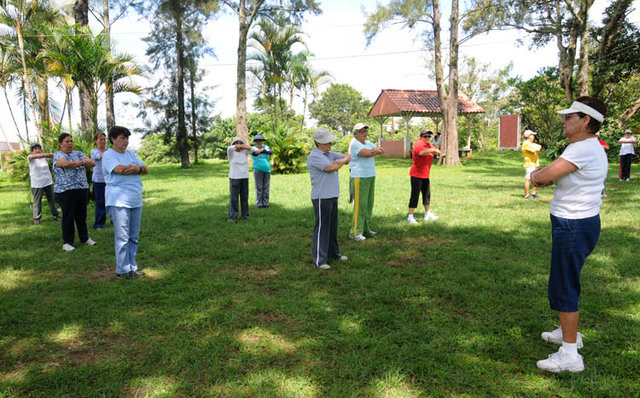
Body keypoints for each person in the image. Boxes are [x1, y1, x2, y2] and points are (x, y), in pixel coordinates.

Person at [530, 96, 608, 373]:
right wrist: (544, 174)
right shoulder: (585, 147)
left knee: (564, 284)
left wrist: (538, 174)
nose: (563, 121)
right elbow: (550, 175)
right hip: (579, 223)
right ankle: (567, 333)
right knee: (565, 280)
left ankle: (570, 355)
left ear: (585, 120)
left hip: (573, 225)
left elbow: (541, 178)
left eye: (569, 117)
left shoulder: (581, 150)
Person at [102, 126, 148, 279]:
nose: (126, 141)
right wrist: (135, 168)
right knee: (122, 237)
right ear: (113, 139)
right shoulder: (108, 155)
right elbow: (119, 169)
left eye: (127, 138)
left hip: (135, 199)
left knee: (133, 236)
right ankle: (122, 270)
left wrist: (137, 168)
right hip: (118, 200)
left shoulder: (130, 153)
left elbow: (145, 168)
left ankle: (132, 267)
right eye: (122, 138)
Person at [307, 128, 351, 270]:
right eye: (327, 142)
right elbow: (331, 167)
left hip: (332, 195)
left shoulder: (329, 154)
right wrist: (340, 163)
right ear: (318, 142)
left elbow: (347, 157)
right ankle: (319, 260)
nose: (330, 143)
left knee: (332, 227)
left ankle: (333, 253)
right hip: (322, 197)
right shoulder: (315, 156)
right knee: (322, 228)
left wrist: (341, 161)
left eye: (330, 141)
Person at [53, 133, 97, 252]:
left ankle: (84, 238)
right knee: (68, 216)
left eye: (71, 141)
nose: (70, 143)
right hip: (65, 190)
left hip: (82, 188)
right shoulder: (58, 155)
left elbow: (92, 162)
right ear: (60, 144)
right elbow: (65, 164)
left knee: (81, 216)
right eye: (67, 141)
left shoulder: (78, 153)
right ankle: (67, 242)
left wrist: (80, 162)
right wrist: (82, 163)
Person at [349, 122, 384, 241]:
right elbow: (367, 153)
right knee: (360, 205)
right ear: (356, 134)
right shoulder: (355, 144)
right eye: (361, 131)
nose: (364, 133)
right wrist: (375, 151)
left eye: (365, 131)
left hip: (370, 175)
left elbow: (380, 151)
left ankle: (365, 229)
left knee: (368, 204)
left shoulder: (368, 143)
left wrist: (375, 151)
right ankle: (355, 232)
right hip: (359, 177)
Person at [407, 130, 441, 224]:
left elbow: (439, 151)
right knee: (415, 195)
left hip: (425, 175)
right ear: (421, 136)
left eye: (429, 136)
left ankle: (427, 213)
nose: (427, 138)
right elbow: (421, 153)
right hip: (416, 175)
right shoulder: (419, 144)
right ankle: (410, 216)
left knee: (427, 195)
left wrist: (435, 151)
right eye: (425, 136)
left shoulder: (429, 145)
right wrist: (431, 150)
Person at [27, 143, 60, 224]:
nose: (38, 150)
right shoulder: (30, 157)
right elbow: (39, 156)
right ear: (32, 151)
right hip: (37, 183)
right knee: (37, 201)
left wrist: (59, 154)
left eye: (39, 148)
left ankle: (55, 215)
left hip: (48, 181)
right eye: (35, 149)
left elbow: (52, 156)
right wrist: (47, 154)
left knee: (52, 199)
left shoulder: (44, 158)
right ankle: (36, 217)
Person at [227, 136, 252, 221]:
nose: (238, 145)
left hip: (245, 176)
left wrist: (245, 147)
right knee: (234, 198)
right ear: (233, 144)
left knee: (244, 197)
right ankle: (232, 216)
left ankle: (245, 215)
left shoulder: (244, 152)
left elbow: (253, 151)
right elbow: (230, 148)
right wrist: (243, 146)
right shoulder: (231, 151)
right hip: (234, 177)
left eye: (240, 143)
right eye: (236, 143)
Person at [91, 132, 108, 228]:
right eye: (100, 139)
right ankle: (99, 224)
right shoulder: (94, 151)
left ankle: (115, 220)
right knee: (100, 202)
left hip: (109, 180)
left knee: (112, 201)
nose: (103, 141)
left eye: (104, 139)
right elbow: (99, 156)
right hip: (98, 181)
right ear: (96, 141)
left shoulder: (109, 150)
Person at [251, 133, 273, 208]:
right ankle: (259, 203)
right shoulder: (253, 148)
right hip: (257, 169)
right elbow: (254, 154)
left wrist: (261, 150)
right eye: (257, 141)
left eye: (260, 141)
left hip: (267, 170)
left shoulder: (266, 146)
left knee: (266, 187)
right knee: (259, 187)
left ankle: (265, 203)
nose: (259, 142)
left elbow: (270, 152)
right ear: (255, 142)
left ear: (262, 141)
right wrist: (263, 151)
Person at [522, 129, 542, 199]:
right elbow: (537, 149)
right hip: (529, 164)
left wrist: (537, 147)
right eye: (532, 135)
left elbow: (539, 146)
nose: (533, 136)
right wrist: (537, 147)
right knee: (528, 179)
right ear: (528, 136)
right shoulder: (526, 144)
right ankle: (527, 195)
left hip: (535, 164)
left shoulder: (531, 143)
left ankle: (533, 193)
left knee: (535, 179)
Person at [596, 132, 609, 196]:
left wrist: (599, 145)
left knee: (603, 176)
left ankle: (603, 191)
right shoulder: (587, 142)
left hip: (601, 161)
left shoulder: (601, 142)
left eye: (596, 135)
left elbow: (607, 147)